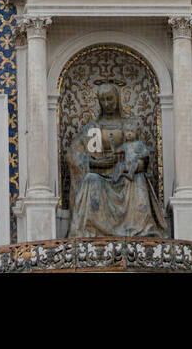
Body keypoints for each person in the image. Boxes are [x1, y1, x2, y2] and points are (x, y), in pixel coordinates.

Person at [66, 82, 166, 239]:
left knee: (138, 179)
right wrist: (93, 164)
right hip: (100, 175)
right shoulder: (93, 127)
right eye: (103, 100)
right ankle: (93, 231)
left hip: (125, 174)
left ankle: (140, 231)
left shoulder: (129, 125)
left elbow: (141, 153)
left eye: (110, 99)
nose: (107, 104)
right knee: (91, 180)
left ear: (117, 99)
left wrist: (139, 165)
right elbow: (73, 155)